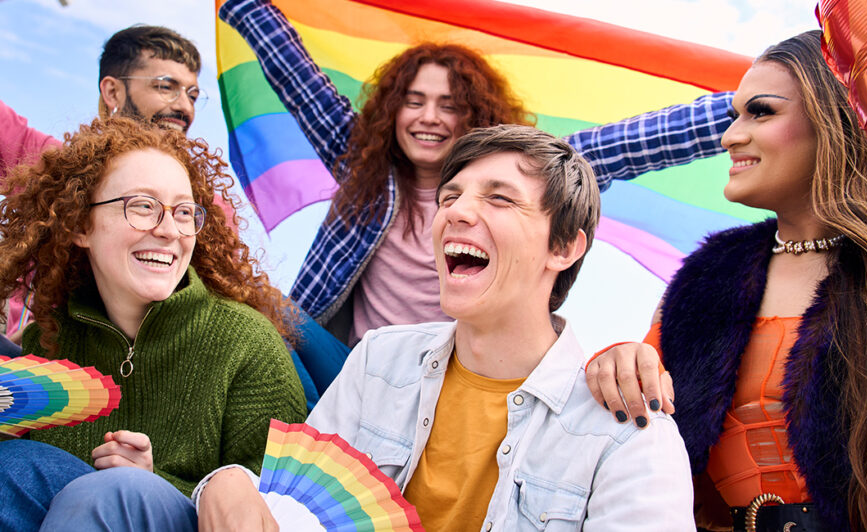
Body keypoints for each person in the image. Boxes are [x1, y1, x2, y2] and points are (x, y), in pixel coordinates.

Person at [50, 125, 695, 530]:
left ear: (565, 248)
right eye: (450, 197)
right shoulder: (379, 361)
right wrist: (228, 484)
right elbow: (287, 499)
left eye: (498, 198)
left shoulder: (629, 435)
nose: (457, 213)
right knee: (109, 497)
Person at [0, 0, 321, 475]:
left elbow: (248, 317)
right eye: (165, 86)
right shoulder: (48, 168)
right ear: (112, 90)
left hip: (156, 400)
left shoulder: (207, 207)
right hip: (43, 359)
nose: (183, 105)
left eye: (192, 93)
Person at [221, 0, 737, 364]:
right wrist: (244, 5)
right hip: (354, 367)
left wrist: (745, 109)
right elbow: (297, 77)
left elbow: (631, 143)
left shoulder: (520, 174)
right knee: (266, 314)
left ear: (476, 116)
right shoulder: (365, 171)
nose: (429, 118)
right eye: (415, 101)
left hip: (460, 369)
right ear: (391, 111)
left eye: (450, 105)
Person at [0, 117, 307, 531]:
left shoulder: (249, 346)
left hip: (157, 519)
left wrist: (152, 483)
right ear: (80, 225)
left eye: (184, 211)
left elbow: (279, 510)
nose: (170, 229)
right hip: (45, 505)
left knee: (15, 469)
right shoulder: (53, 334)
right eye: (143, 206)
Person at [585, 31, 867, 531]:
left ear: (838, 119)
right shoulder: (706, 277)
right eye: (734, 116)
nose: (730, 137)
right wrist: (615, 365)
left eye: (761, 112)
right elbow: (639, 424)